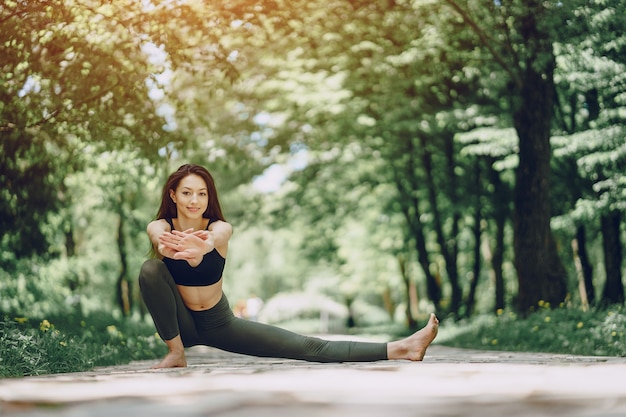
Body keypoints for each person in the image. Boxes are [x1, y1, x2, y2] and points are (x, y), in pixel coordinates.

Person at [138, 163, 439, 369]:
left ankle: (403, 348)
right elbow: (158, 237)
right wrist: (168, 246)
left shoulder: (219, 228)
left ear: (209, 197)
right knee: (151, 269)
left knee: (309, 347)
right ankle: (176, 352)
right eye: (187, 192)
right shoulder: (162, 226)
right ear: (173, 194)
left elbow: (216, 237)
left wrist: (202, 248)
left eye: (202, 193)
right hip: (181, 325)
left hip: (218, 323)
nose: (195, 200)